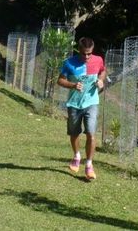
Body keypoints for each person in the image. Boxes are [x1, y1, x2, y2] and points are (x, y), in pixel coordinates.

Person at [57, 37, 107, 180]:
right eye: (84, 53)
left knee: (91, 133)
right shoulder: (69, 63)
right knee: (74, 133)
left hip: (91, 102)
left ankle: (89, 165)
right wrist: (73, 85)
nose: (86, 56)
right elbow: (60, 80)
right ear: (78, 50)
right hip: (74, 104)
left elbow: (103, 71)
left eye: (89, 53)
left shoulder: (98, 60)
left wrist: (101, 80)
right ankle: (77, 156)